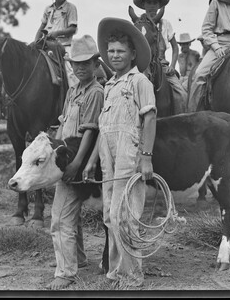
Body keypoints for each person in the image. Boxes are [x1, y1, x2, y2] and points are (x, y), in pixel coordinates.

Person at [83, 17, 156, 287]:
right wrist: (92, 161)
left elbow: (149, 119)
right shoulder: (110, 85)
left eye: (120, 51)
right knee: (110, 216)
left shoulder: (139, 82)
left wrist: (145, 157)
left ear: (132, 54)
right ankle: (115, 272)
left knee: (126, 216)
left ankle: (132, 276)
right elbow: (104, 128)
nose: (115, 55)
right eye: (111, 51)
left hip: (129, 153)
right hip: (107, 157)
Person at [46, 35, 105, 290]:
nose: (80, 68)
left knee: (60, 216)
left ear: (95, 64)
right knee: (71, 213)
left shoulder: (96, 92)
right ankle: (78, 258)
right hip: (66, 155)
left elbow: (90, 131)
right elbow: (63, 125)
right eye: (75, 64)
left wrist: (75, 164)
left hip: (79, 159)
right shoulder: (72, 90)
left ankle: (65, 272)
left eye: (85, 63)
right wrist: (53, 153)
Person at [133, 0, 187, 114]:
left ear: (159, 5)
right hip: (141, 65)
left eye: (155, 3)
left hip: (162, 65)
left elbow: (175, 47)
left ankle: (181, 119)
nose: (152, 6)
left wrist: (172, 66)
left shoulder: (165, 24)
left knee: (182, 94)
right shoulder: (138, 23)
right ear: (143, 4)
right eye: (148, 2)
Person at [34, 0, 79, 87]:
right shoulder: (48, 9)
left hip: (63, 46)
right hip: (47, 44)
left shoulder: (70, 8)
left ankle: (75, 96)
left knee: (70, 72)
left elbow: (73, 29)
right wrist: (35, 42)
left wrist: (56, 34)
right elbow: (42, 26)